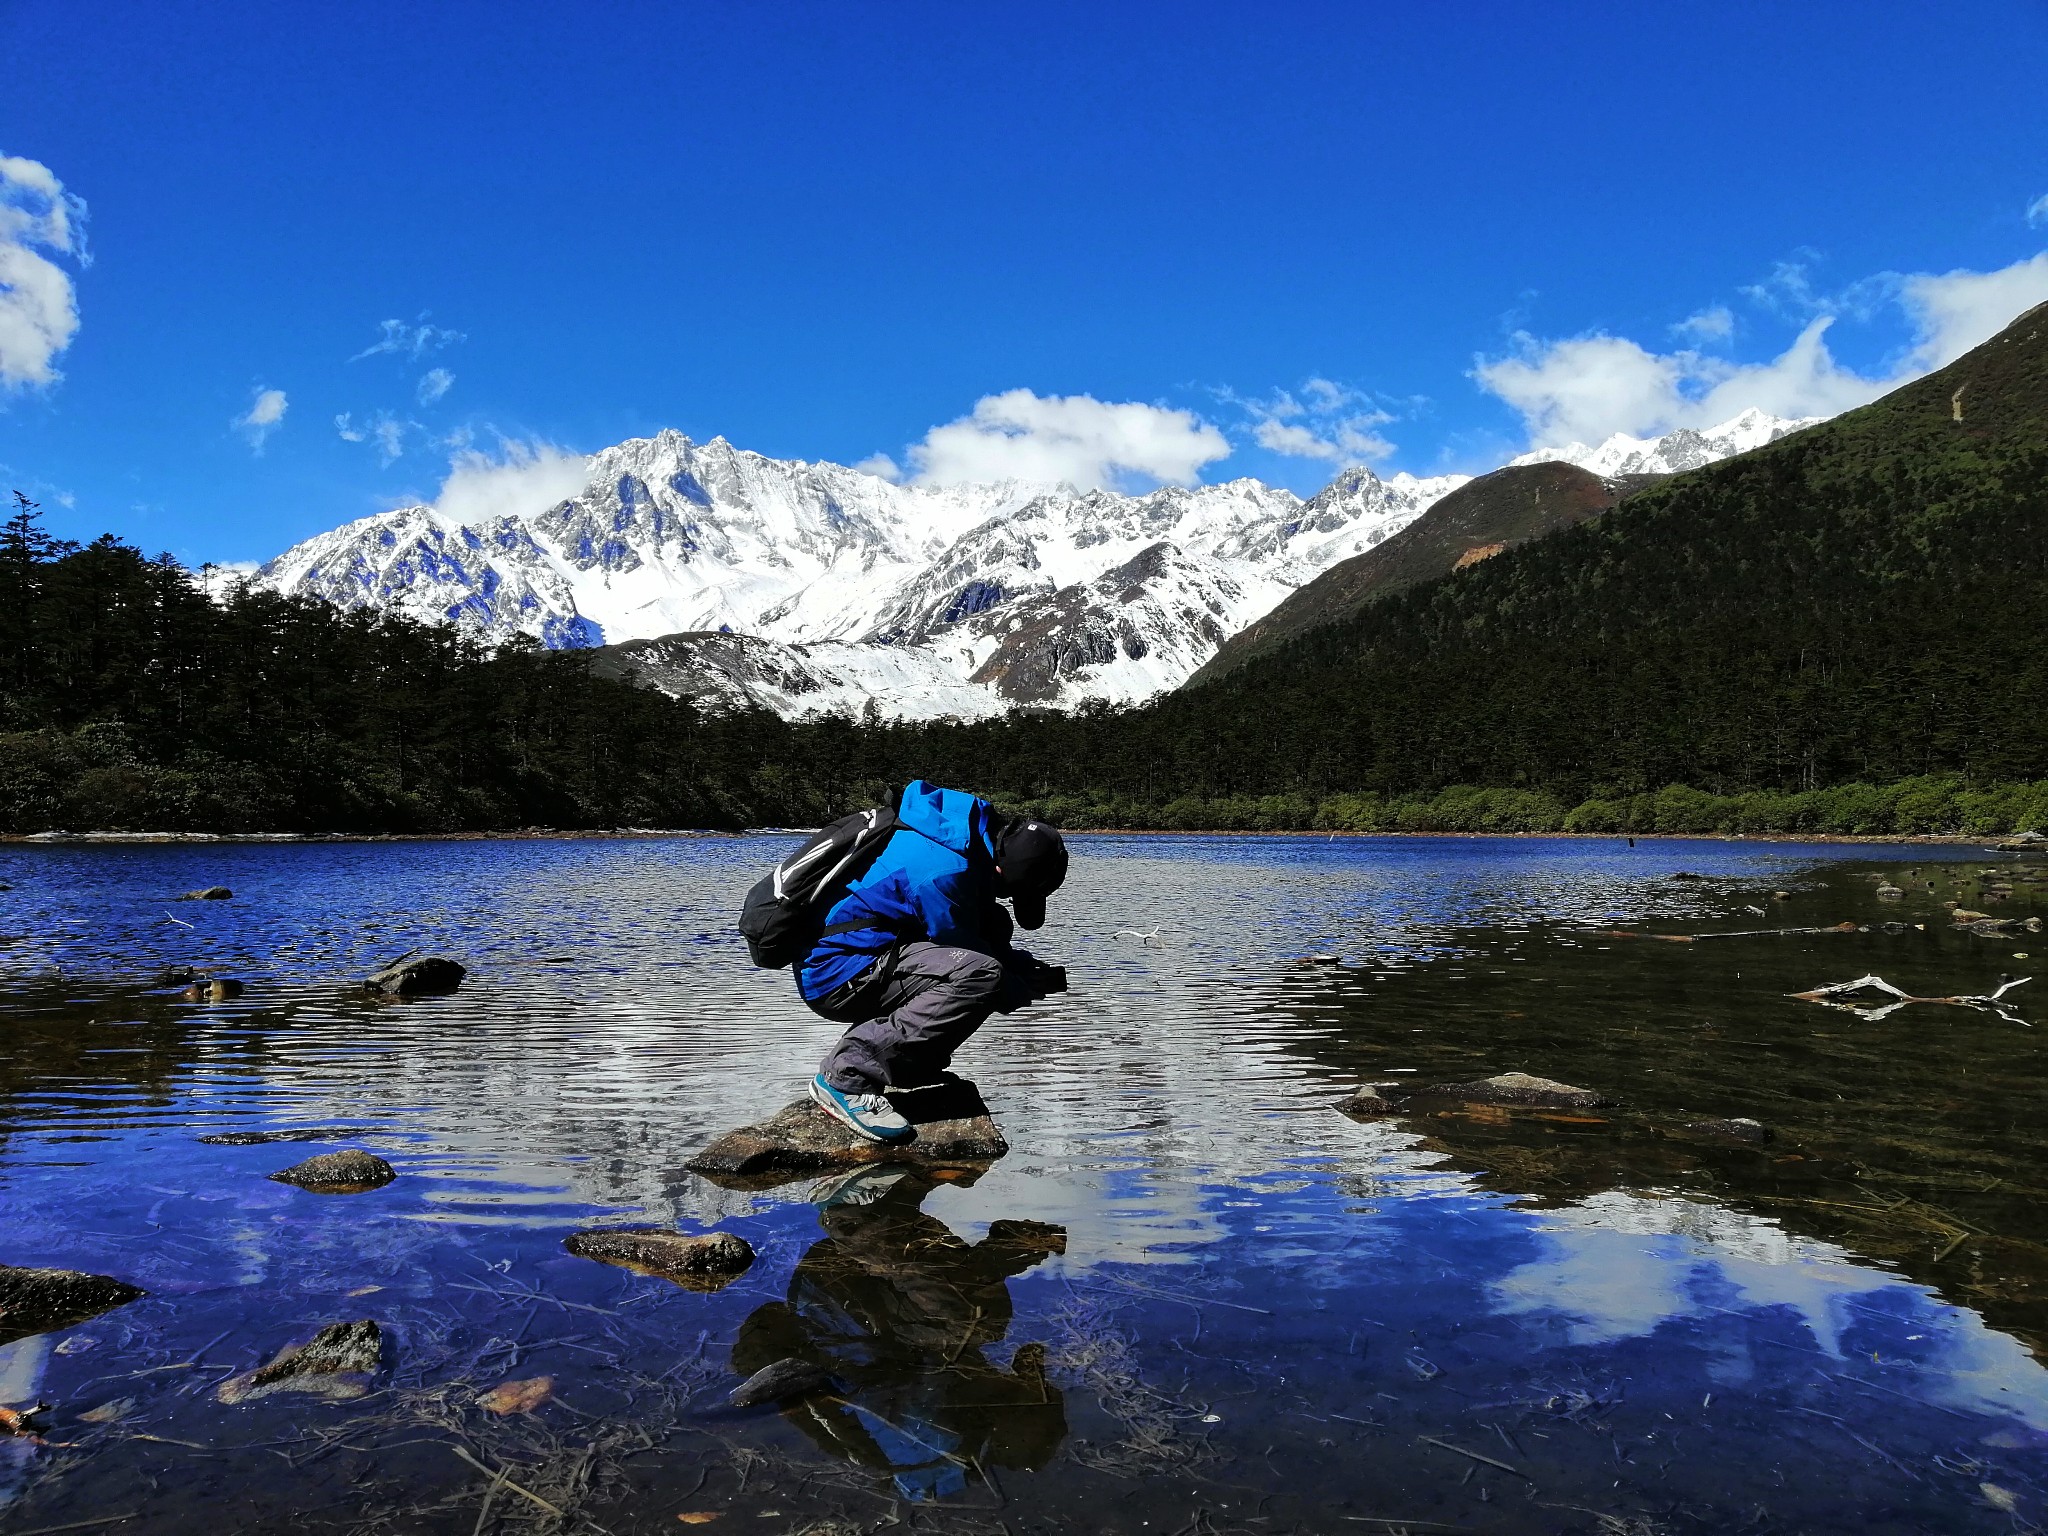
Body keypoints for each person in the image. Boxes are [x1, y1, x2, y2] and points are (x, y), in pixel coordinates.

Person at [796, 779, 1068, 1143]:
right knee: (983, 975)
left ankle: (909, 1067)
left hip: (869, 954)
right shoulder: (944, 869)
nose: (1005, 897)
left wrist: (1019, 965)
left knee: (994, 930)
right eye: (1010, 892)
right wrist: (1015, 983)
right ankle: (847, 1076)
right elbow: (968, 956)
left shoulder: (966, 839)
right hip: (839, 973)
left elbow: (973, 937)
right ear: (1003, 872)